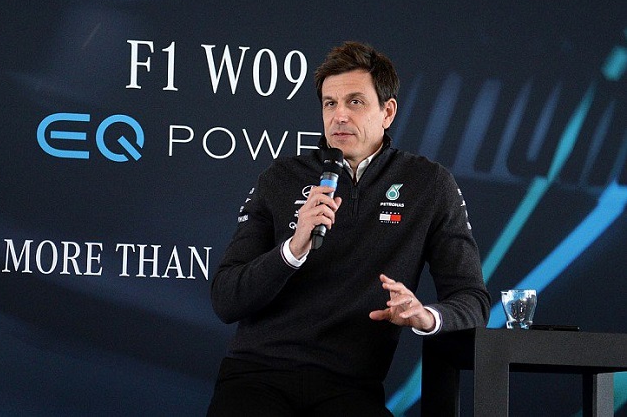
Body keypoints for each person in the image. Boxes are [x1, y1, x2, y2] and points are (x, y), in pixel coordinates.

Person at [207, 41, 491, 416]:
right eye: (330, 104)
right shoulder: (281, 177)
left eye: (354, 102)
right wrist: (292, 250)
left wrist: (426, 317)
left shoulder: (429, 184)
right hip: (258, 375)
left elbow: (472, 300)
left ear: (387, 112)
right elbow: (226, 299)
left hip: (349, 386)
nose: (339, 116)